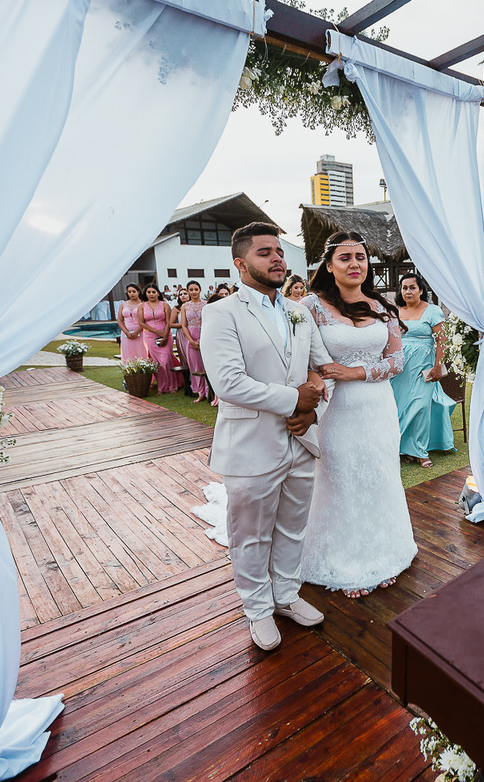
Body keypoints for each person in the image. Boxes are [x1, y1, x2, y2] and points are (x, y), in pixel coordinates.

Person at [200, 222, 332, 652]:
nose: (277, 258)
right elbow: (229, 383)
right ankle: (257, 608)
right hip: (251, 443)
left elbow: (320, 369)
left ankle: (286, 595)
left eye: (279, 251)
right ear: (240, 264)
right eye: (264, 252)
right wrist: (295, 399)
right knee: (251, 533)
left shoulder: (299, 311)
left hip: (300, 440)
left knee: (294, 527)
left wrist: (310, 408)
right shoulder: (222, 314)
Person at [300, 231, 417, 599]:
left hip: (378, 408)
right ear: (330, 265)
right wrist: (316, 379)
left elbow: (397, 360)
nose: (355, 264)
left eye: (361, 258)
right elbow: (299, 358)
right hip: (336, 410)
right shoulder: (311, 306)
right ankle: (347, 560)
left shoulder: (383, 306)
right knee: (340, 477)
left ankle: (385, 552)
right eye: (345, 258)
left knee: (380, 474)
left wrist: (355, 372)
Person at [392, 272, 455, 468]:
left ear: (421, 290)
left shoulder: (432, 310)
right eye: (404, 288)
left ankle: (420, 450)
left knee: (420, 407)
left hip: (423, 366)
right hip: (400, 367)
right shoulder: (395, 311)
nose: (408, 291)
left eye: (412, 287)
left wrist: (438, 366)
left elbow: (442, 341)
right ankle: (404, 448)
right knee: (400, 407)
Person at [140, 283, 181, 394]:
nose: (151, 294)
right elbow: (141, 323)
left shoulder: (164, 305)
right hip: (150, 336)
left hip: (165, 334)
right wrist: (155, 331)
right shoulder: (142, 306)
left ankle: (173, 386)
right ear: (146, 294)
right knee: (157, 363)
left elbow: (168, 322)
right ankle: (162, 387)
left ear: (158, 293)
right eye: (149, 292)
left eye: (154, 292)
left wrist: (165, 335)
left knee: (166, 360)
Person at [178, 281, 210, 402]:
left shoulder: (206, 304)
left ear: (200, 290)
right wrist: (191, 340)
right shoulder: (185, 306)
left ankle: (209, 391)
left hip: (205, 335)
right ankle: (200, 392)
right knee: (195, 366)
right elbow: (184, 326)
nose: (194, 292)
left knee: (206, 364)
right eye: (191, 290)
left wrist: (203, 340)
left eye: (196, 289)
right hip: (190, 337)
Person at [116, 283, 147, 361]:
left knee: (141, 353)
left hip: (141, 332)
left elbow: (146, 320)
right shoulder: (123, 304)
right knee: (128, 354)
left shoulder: (143, 304)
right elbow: (120, 320)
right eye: (129, 292)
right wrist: (126, 332)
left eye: (134, 291)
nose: (131, 294)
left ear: (138, 292)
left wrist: (137, 331)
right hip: (126, 334)